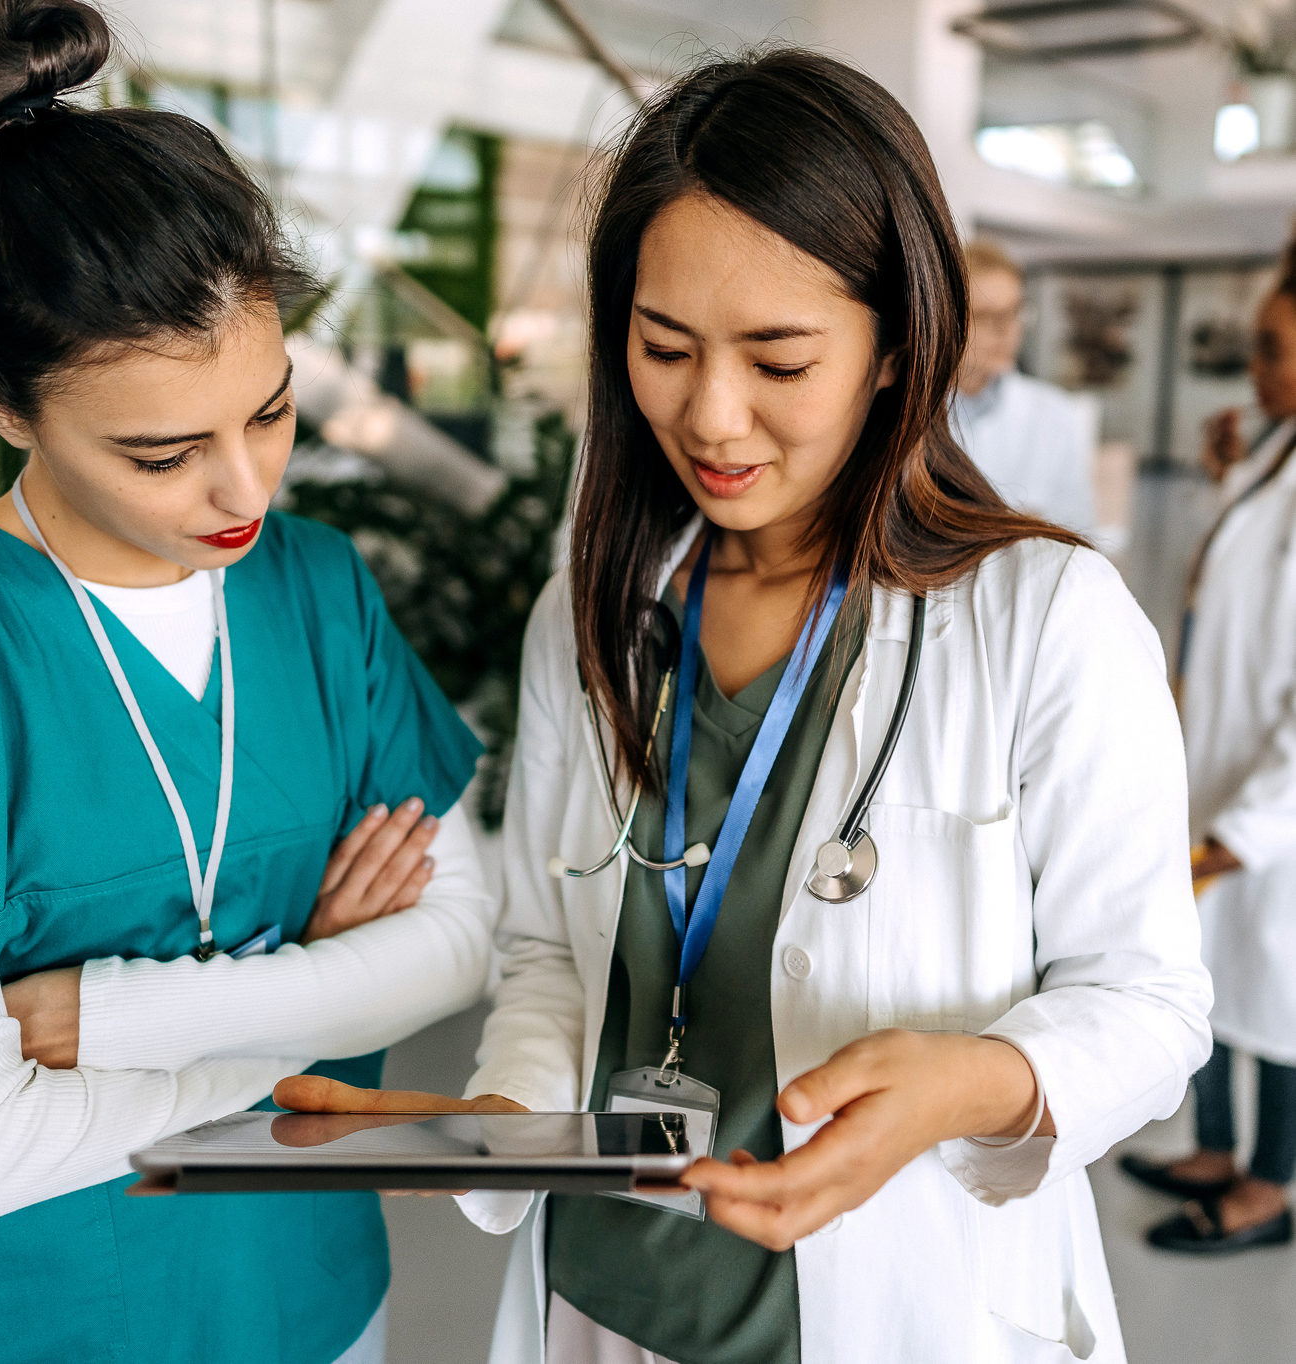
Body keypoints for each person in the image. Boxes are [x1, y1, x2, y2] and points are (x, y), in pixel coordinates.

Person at [278, 49, 1212, 1363]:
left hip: (898, 1298)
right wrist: (502, 1115)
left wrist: (974, 1082)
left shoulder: (1045, 619)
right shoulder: (594, 611)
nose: (712, 416)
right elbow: (554, 951)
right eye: (664, 348)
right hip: (604, 1292)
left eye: (780, 359)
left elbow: (1152, 1005)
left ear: (899, 346)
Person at [0, 3, 496, 1361]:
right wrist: (325, 988)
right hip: (41, 1321)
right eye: (161, 452)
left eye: (270, 409)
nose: (247, 489)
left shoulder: (316, 586)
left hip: (319, 1302)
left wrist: (106, 1019)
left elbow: (464, 940)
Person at [1120, 259, 1296, 1255]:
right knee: (1217, 972)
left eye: (1270, 351)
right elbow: (1231, 600)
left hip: (1267, 807)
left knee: (1275, 999)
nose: (1254, 369)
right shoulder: (1275, 455)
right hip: (1221, 772)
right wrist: (1225, 473)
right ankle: (1214, 1147)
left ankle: (1266, 1186)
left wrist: (1242, 829)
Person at [952, 240, 1101, 540]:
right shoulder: (903, 410)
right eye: (986, 315)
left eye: (1014, 312)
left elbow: (1081, 535)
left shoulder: (1057, 415)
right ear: (948, 318)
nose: (1006, 330)